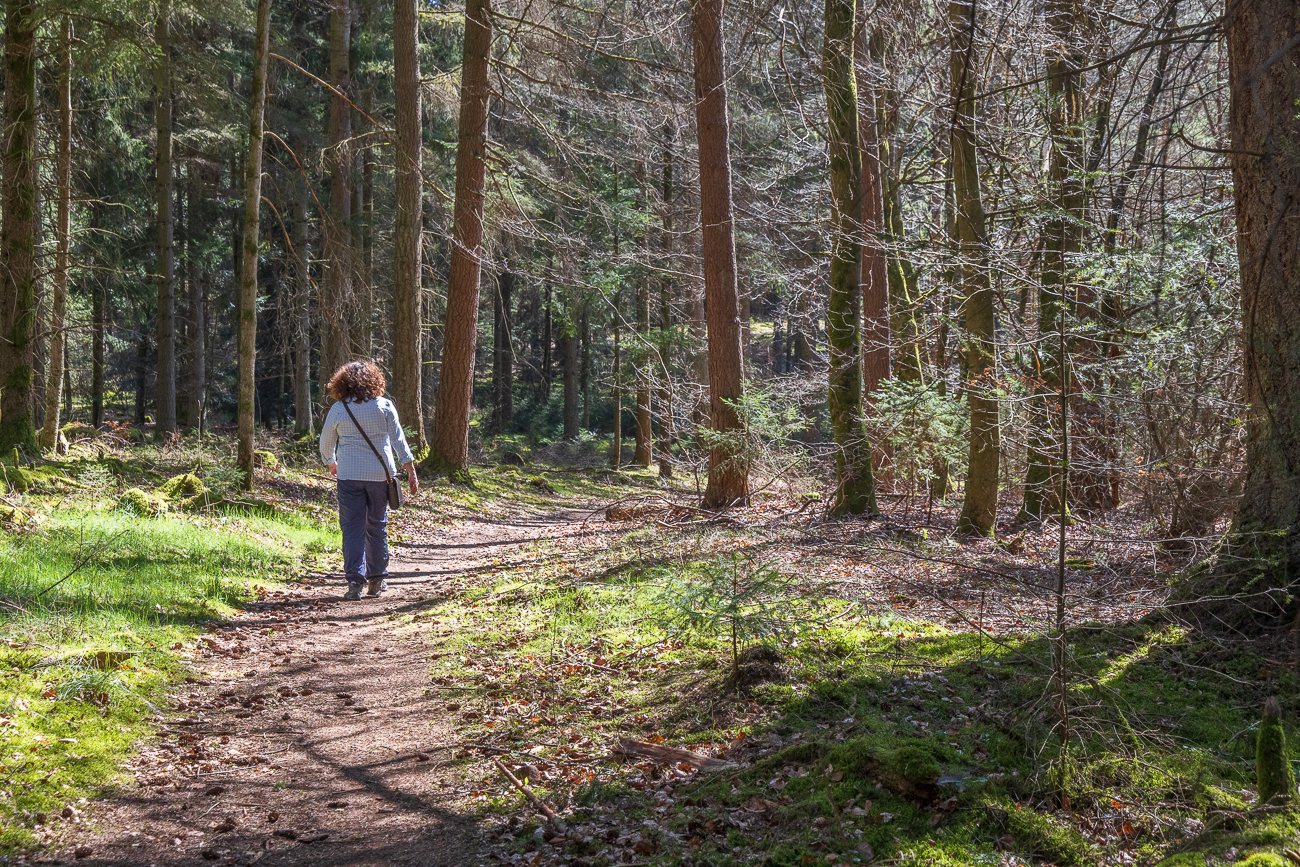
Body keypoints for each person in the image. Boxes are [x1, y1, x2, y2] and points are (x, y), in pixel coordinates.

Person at [319, 361, 419, 600]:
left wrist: (331, 462)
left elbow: (325, 443)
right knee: (376, 525)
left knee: (352, 529)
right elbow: (398, 441)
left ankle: (355, 582)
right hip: (380, 476)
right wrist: (410, 470)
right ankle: (377, 579)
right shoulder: (384, 406)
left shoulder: (339, 409)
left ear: (342, 383)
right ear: (374, 381)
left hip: (349, 476)